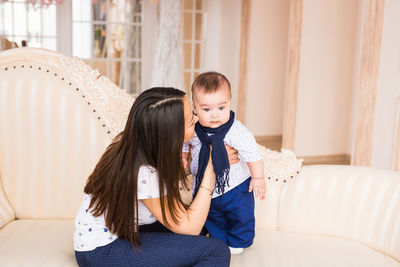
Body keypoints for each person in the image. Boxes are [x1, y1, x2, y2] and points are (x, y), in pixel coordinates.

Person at [74, 87, 232, 267]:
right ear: (170, 135)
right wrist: (212, 169)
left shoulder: (130, 143)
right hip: (101, 250)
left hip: (126, 231)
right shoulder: (144, 173)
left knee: (205, 223)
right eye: (190, 121)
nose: (197, 119)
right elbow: (191, 228)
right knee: (216, 251)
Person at [182, 72, 266, 254]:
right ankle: (219, 241)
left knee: (241, 215)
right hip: (206, 186)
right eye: (206, 109)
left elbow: (252, 152)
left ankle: (239, 241)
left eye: (221, 108)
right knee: (212, 216)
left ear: (229, 103)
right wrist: (183, 155)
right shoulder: (193, 129)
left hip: (236, 185)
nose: (215, 115)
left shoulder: (235, 130)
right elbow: (184, 141)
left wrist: (258, 178)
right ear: (194, 108)